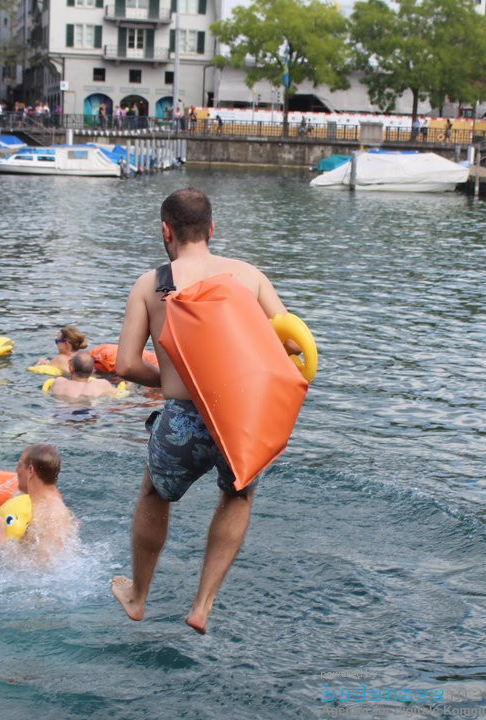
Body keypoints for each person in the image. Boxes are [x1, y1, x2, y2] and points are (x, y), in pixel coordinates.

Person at [110, 188, 290, 634]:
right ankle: (203, 605)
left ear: (165, 231)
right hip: (240, 419)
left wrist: (170, 380)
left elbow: (125, 364)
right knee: (237, 494)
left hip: (184, 418)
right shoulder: (249, 277)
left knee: (155, 494)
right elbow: (289, 343)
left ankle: (138, 597)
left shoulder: (151, 284)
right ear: (212, 229)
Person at [0, 444, 79, 566]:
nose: (16, 471)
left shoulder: (52, 515)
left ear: (30, 470)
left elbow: (41, 570)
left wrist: (0, 543)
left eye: (19, 465)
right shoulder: (28, 497)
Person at [48, 350, 117, 400]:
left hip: (63, 412)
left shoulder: (59, 382)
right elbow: (118, 393)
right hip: (90, 413)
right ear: (92, 370)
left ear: (71, 368)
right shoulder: (101, 384)